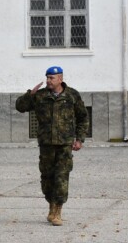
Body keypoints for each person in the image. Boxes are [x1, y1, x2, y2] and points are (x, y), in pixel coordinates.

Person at [15, 65, 89, 226]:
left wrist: (79, 139)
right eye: (47, 77)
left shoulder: (72, 95)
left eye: (51, 78)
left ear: (60, 79)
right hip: (46, 144)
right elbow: (20, 107)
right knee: (47, 178)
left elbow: (83, 117)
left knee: (62, 177)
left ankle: (57, 211)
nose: (48, 81)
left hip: (64, 144)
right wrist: (30, 94)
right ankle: (51, 205)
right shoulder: (41, 96)